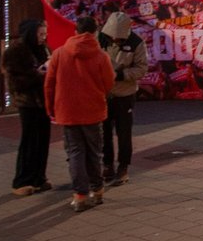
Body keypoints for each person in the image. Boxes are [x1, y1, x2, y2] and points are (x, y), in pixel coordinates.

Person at [44, 16, 115, 212]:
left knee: (75, 153)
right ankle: (98, 190)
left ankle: (80, 195)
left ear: (75, 32)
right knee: (94, 152)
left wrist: (50, 107)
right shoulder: (101, 57)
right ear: (95, 33)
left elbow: (49, 83)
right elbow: (108, 84)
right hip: (93, 110)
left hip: (67, 111)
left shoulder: (58, 54)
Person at [3, 19, 52, 196]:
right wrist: (38, 74)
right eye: (40, 34)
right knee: (30, 141)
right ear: (31, 33)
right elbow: (14, 82)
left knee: (43, 140)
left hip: (44, 101)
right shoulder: (16, 52)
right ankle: (22, 180)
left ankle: (39, 178)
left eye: (45, 34)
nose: (43, 37)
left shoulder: (43, 48)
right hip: (28, 103)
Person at [99, 11, 148, 187]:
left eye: (118, 38)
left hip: (125, 95)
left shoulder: (136, 42)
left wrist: (120, 74)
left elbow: (142, 69)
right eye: (112, 37)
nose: (115, 40)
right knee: (104, 133)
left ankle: (123, 167)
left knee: (124, 133)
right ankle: (107, 164)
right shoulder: (100, 39)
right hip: (103, 95)